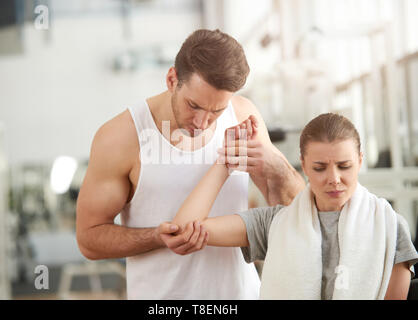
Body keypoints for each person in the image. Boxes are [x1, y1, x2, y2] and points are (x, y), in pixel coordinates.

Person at [75, 29, 305, 299]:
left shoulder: (242, 115)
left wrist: (277, 167)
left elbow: (297, 214)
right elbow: (89, 240)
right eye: (193, 105)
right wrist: (155, 237)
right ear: (172, 79)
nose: (202, 122)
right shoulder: (120, 137)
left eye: (216, 111)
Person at [171, 113, 418, 300]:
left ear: (360, 161)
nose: (333, 178)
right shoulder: (275, 223)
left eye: (344, 166)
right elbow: (183, 229)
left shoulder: (389, 225)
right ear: (303, 164)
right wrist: (228, 160)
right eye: (320, 168)